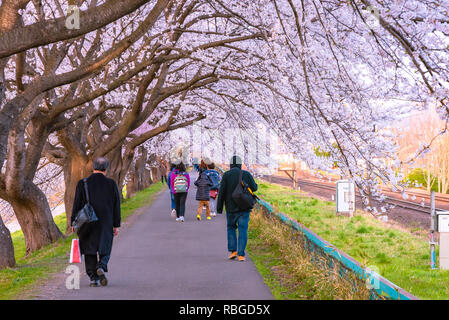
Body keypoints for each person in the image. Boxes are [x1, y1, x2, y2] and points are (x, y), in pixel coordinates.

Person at [71, 157, 121, 287]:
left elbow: (76, 204)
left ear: (93, 168)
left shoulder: (83, 183)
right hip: (106, 220)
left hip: (88, 221)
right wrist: (116, 224)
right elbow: (116, 205)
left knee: (89, 249)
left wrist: (73, 222)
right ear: (106, 169)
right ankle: (102, 265)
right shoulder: (111, 184)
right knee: (106, 245)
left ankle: (93, 278)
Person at [217, 156, 258, 262]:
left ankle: (233, 251)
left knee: (231, 228)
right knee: (243, 230)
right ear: (240, 164)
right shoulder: (246, 174)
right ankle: (241, 255)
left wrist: (219, 208)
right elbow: (255, 188)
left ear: (230, 165)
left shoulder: (226, 175)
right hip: (244, 207)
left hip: (230, 208)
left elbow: (222, 192)